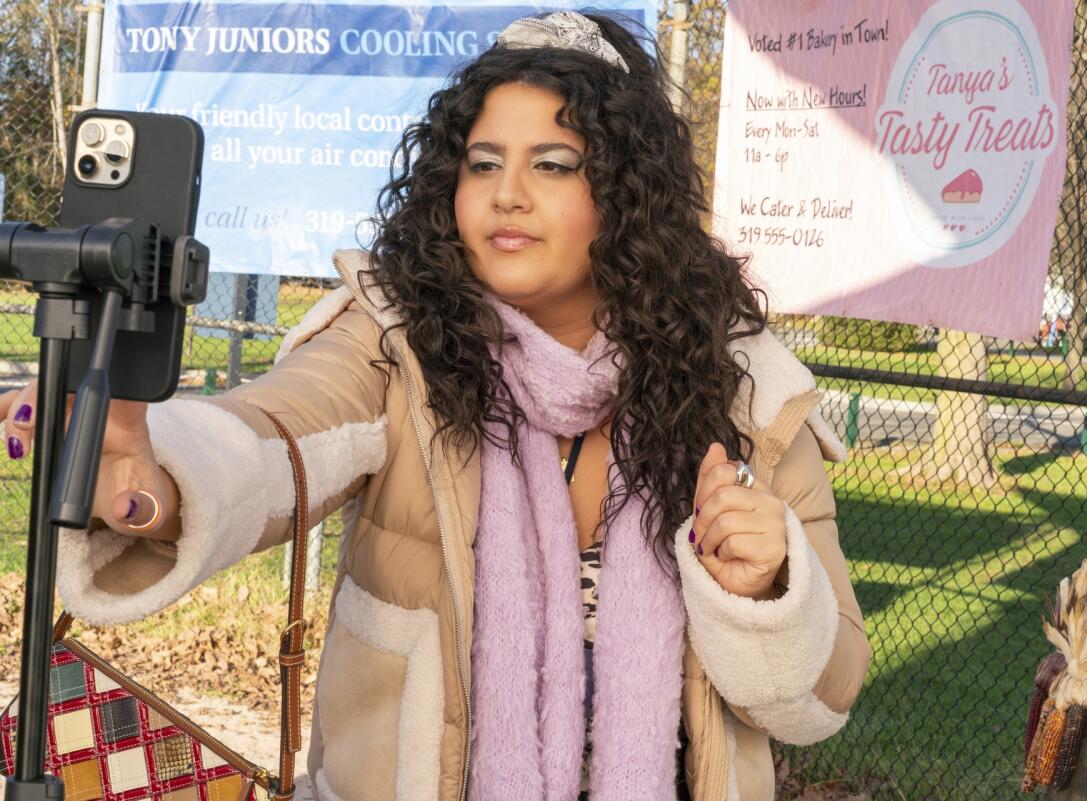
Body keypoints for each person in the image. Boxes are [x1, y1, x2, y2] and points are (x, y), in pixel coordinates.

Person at [1, 11, 869, 801]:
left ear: (631, 195)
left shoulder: (746, 392)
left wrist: (768, 588)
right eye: (482, 163)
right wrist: (157, 457)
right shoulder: (398, 341)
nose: (507, 193)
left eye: (555, 165)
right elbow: (275, 431)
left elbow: (823, 697)